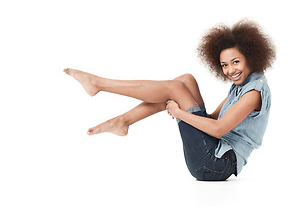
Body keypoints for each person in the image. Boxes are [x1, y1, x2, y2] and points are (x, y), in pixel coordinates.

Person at [64, 19, 275, 181]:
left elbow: (218, 129)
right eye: (224, 65)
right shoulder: (242, 86)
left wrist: (180, 113)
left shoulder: (253, 93)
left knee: (175, 88)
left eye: (235, 62)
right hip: (213, 152)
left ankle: (100, 84)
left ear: (252, 56)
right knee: (185, 81)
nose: (230, 70)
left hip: (215, 165)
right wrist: (182, 108)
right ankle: (123, 121)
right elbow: (211, 118)